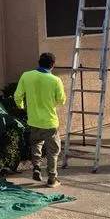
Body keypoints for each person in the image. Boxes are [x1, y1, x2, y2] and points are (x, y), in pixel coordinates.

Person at [14, 52, 66, 187]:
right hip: (50, 121)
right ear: (52, 65)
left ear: (39, 62)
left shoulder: (26, 76)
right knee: (53, 151)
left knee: (36, 144)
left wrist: (22, 107)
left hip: (33, 120)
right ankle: (52, 178)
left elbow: (17, 96)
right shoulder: (55, 80)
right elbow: (61, 100)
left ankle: (36, 167)